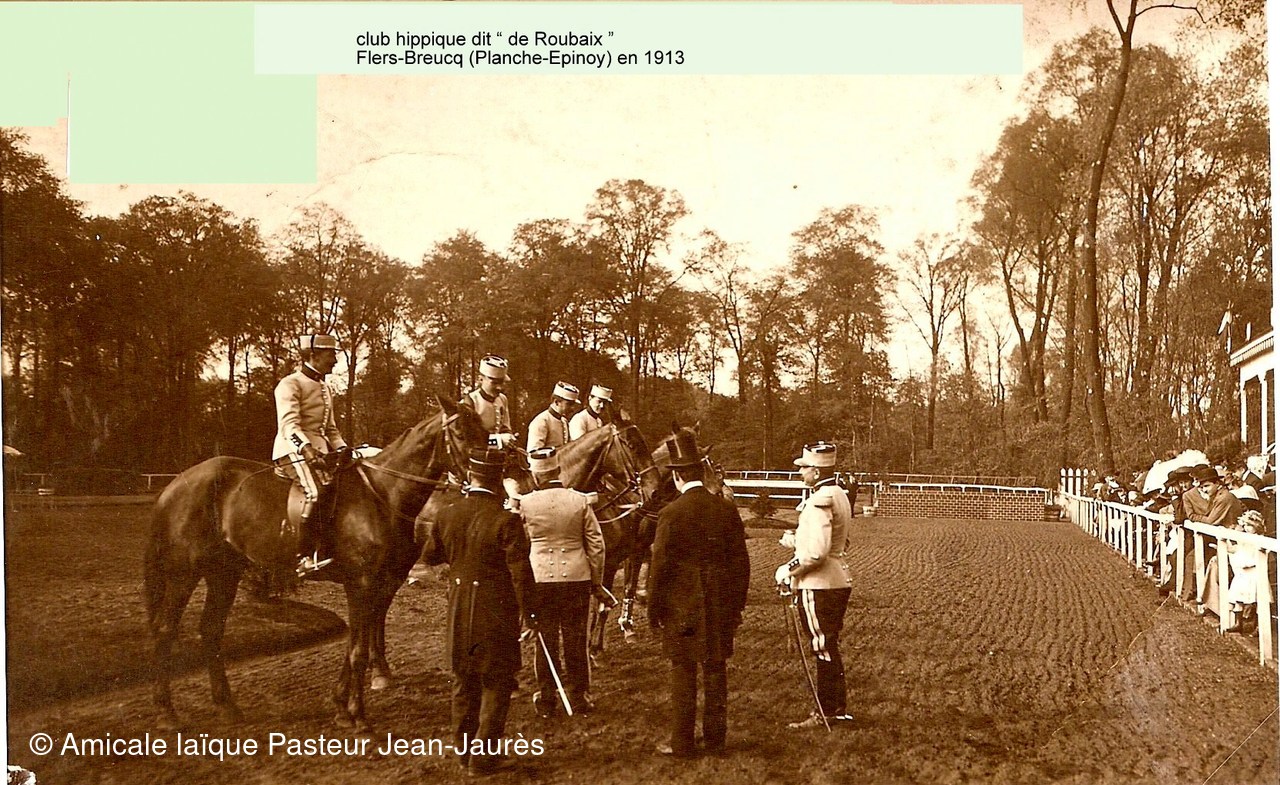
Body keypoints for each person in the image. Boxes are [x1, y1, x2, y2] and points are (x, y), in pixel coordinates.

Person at [419, 445, 538, 776]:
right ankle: (483, 758)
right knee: (497, 682)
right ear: (498, 480)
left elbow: (430, 556)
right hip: (495, 612)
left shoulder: (447, 514)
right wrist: (531, 616)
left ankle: (464, 752)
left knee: (463, 680)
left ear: (470, 476)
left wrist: (460, 563)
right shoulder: (506, 521)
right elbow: (521, 575)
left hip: (459, 609)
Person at [647, 429, 750, 758]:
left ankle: (682, 743)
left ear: (677, 476)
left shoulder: (670, 513)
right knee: (716, 668)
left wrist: (653, 610)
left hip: (681, 604)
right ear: (702, 473)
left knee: (683, 670)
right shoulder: (725, 509)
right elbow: (741, 564)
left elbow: (659, 567)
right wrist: (736, 607)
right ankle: (716, 740)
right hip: (720, 600)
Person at [518, 446, 607, 718]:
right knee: (576, 638)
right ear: (558, 470)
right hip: (577, 578)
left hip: (540, 579)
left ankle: (547, 697)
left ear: (535, 475)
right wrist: (596, 581)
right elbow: (596, 545)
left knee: (545, 639)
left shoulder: (525, 504)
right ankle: (579, 696)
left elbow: (520, 545)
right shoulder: (579, 501)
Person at [774, 441, 855, 728]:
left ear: (817, 472)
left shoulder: (819, 500)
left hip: (819, 583)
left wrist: (787, 569)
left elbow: (816, 553)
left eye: (805, 468)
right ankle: (836, 709)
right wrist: (797, 540)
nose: (801, 473)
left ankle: (826, 711)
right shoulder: (839, 495)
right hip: (837, 577)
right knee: (828, 645)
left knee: (822, 647)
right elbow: (837, 542)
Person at [272, 333, 350, 577]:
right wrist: (306, 449)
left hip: (321, 452)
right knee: (315, 491)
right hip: (292, 449)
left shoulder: (325, 388)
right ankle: (303, 556)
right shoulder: (290, 384)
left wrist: (343, 449)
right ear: (313, 355)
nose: (335, 360)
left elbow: (331, 430)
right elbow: (289, 426)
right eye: (331, 355)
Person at [464, 355, 517, 449]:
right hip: (477, 454)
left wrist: (509, 437)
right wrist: (498, 439)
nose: (499, 387)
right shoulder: (470, 401)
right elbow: (469, 438)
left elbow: (505, 427)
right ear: (481, 379)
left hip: (499, 453)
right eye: (494, 383)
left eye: (501, 382)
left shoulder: (502, 399)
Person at [526, 382, 580, 453]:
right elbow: (534, 453)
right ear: (556, 402)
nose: (572, 408)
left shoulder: (564, 421)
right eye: (569, 404)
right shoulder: (541, 421)